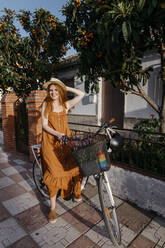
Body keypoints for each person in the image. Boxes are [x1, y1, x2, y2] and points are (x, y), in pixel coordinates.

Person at [41, 77, 85, 224]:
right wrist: (58, 134)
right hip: (50, 145)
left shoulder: (65, 105)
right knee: (54, 174)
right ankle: (53, 208)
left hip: (66, 144)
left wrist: (66, 87)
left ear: (60, 91)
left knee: (76, 167)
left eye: (56, 90)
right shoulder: (46, 105)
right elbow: (45, 125)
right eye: (51, 90)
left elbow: (81, 94)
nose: (53, 93)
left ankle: (77, 193)